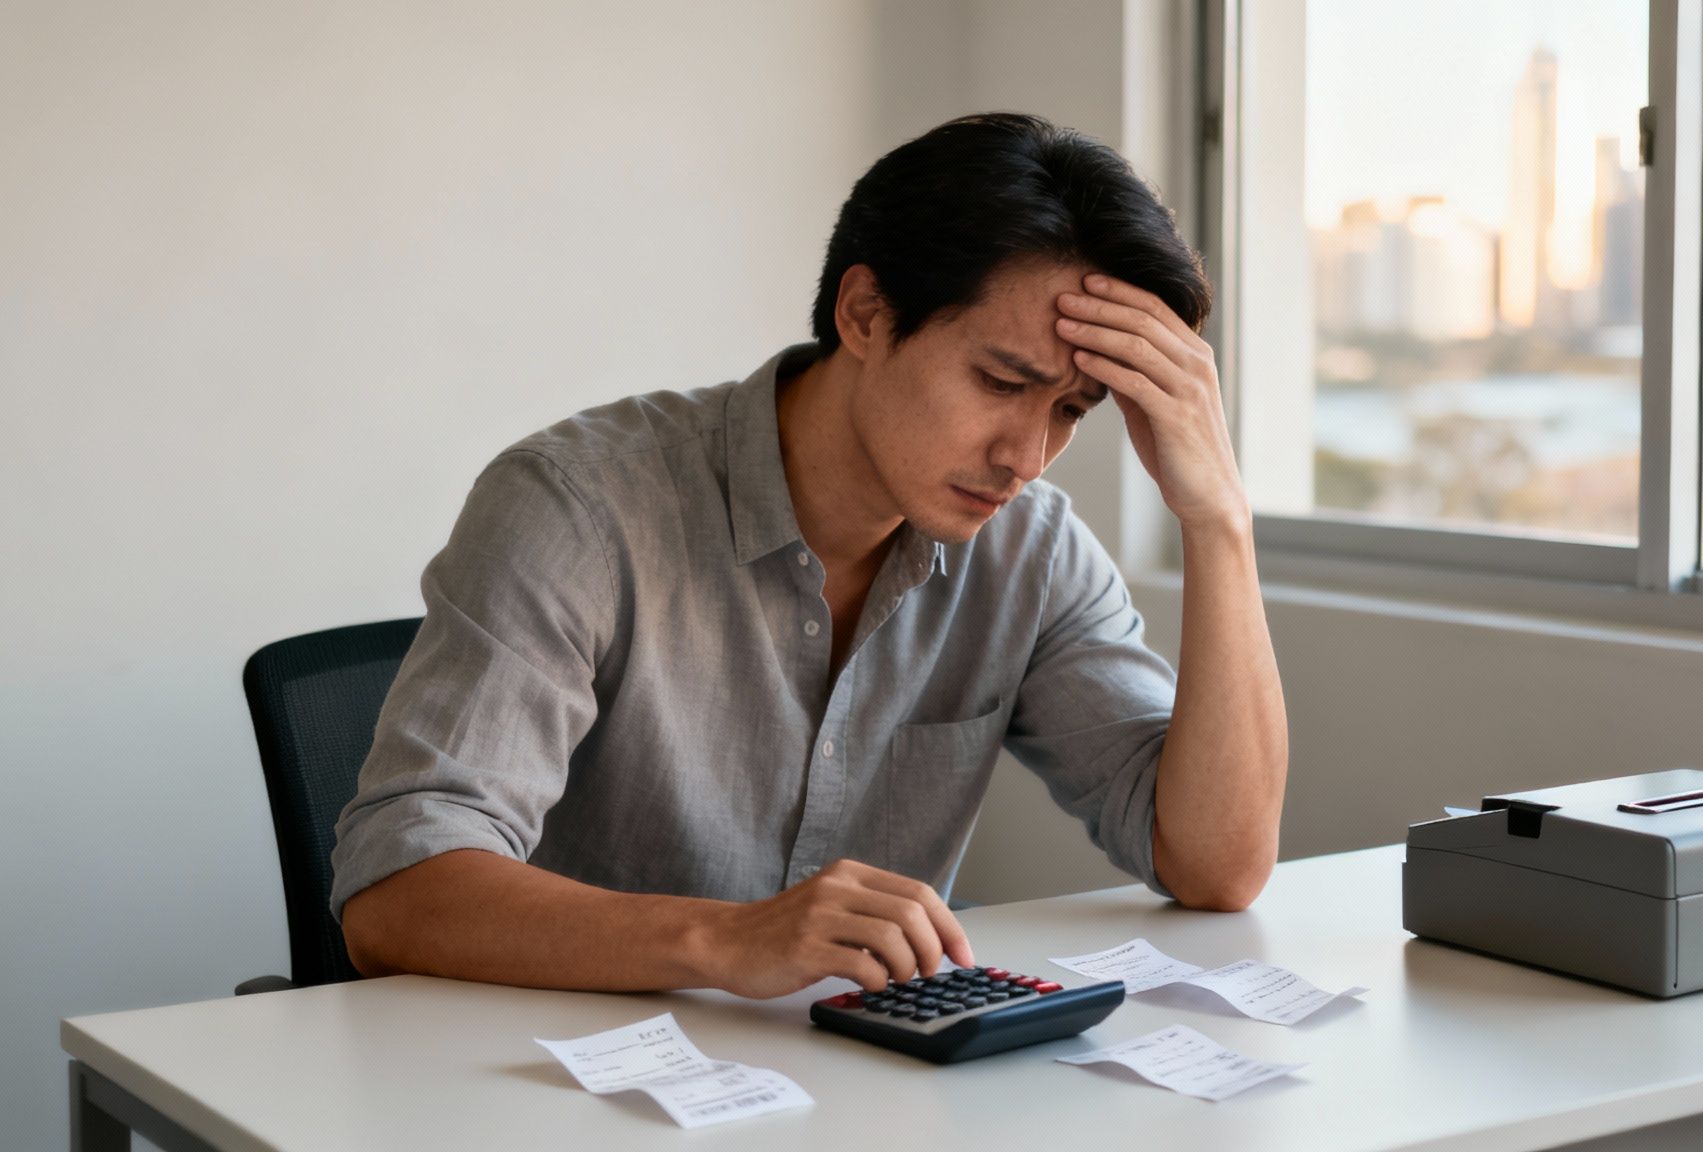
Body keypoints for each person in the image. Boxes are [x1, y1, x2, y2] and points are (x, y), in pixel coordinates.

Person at [331, 112, 1287, 998]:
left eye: (1072, 412)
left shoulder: (1031, 550)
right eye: (1002, 381)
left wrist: (1219, 521)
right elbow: (396, 893)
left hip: (849, 1096)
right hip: (542, 1082)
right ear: (865, 314)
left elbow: (1215, 867)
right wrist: (729, 938)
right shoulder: (579, 507)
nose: (1025, 457)